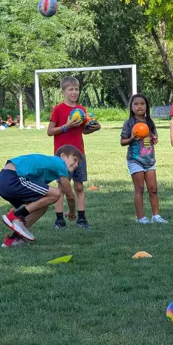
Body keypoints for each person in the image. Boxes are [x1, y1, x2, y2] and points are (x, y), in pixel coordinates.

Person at [0, 145, 83, 247]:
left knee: (42, 205)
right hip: (12, 178)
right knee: (56, 193)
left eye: (78, 163)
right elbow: (70, 196)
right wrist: (72, 212)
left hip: (3, 180)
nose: (76, 164)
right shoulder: (60, 163)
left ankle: (14, 239)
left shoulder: (48, 164)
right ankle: (15, 216)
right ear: (63, 156)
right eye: (75, 159)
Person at [47, 76, 101, 230]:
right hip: (62, 156)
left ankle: (82, 219)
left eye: (76, 89)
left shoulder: (81, 110)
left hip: (79, 154)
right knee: (62, 187)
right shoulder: (58, 109)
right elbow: (50, 131)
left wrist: (95, 128)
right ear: (63, 91)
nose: (74, 92)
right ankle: (59, 220)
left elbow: (83, 131)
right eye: (70, 89)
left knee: (79, 187)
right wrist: (66, 126)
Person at [121, 94, 168, 224]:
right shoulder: (129, 123)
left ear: (146, 106)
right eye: (136, 104)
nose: (139, 106)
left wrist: (153, 137)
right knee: (139, 189)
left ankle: (156, 216)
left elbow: (155, 140)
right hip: (135, 160)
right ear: (131, 107)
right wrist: (131, 138)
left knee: (153, 188)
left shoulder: (150, 122)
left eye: (142, 104)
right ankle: (140, 217)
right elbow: (122, 142)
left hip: (149, 160)